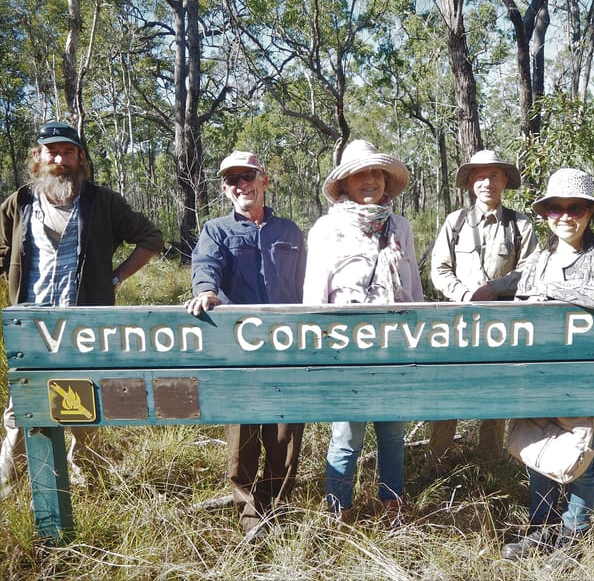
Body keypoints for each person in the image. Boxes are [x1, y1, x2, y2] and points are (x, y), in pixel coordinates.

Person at [0, 121, 164, 497]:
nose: (60, 159)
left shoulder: (101, 202)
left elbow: (151, 237)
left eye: (68, 152)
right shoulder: (20, 202)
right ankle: (10, 488)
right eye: (52, 152)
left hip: (84, 331)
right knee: (21, 410)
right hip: (32, 329)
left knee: (84, 409)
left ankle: (84, 478)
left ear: (81, 158)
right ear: (38, 157)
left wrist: (115, 278)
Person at [500, 168, 594, 571]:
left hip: (585, 373)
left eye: (575, 208)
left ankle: (575, 532)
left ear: (589, 212)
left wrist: (551, 292)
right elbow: (520, 298)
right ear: (546, 213)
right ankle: (542, 526)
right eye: (556, 208)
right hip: (537, 370)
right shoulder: (538, 258)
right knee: (537, 450)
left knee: (578, 458)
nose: (565, 216)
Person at [185, 150, 306, 541]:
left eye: (248, 176)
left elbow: (309, 283)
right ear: (225, 189)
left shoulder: (289, 232)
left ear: (264, 180)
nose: (242, 184)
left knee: (286, 433)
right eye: (233, 179)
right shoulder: (216, 230)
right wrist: (205, 291)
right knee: (243, 431)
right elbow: (206, 267)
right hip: (240, 349)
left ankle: (276, 506)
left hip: (288, 346)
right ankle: (250, 513)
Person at [303, 139, 423, 522]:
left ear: (386, 181)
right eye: (360, 173)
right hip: (347, 349)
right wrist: (318, 351)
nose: (370, 180)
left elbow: (415, 289)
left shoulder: (400, 226)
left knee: (392, 435)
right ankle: (340, 512)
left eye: (376, 173)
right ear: (345, 183)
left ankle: (393, 508)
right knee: (347, 437)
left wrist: (420, 342)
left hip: (396, 346)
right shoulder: (327, 228)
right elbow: (314, 297)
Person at [424, 150, 537, 480]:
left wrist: (498, 287)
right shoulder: (454, 222)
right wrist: (464, 294)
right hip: (458, 324)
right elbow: (440, 269)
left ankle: (490, 470)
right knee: (448, 393)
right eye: (480, 176)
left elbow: (531, 269)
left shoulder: (521, 224)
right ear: (471, 183)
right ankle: (436, 468)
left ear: (505, 181)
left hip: (503, 325)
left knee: (496, 395)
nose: (487, 182)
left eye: (495, 176)